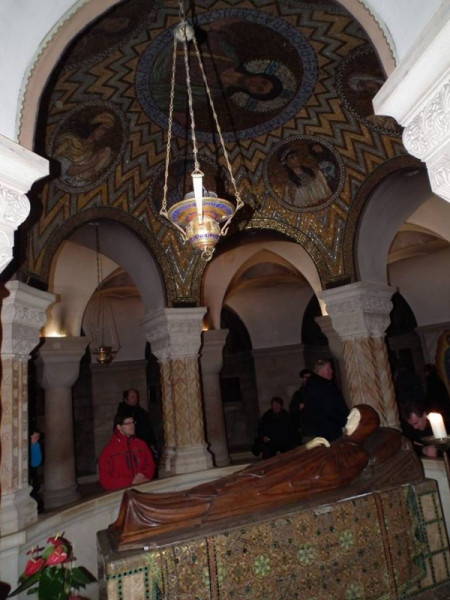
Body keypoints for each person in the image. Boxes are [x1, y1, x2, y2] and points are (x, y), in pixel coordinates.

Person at [109, 405, 412, 551]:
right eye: (349, 417)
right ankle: (145, 508)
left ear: (364, 428)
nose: (347, 422)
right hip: (273, 474)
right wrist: (311, 449)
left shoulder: (355, 455)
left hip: (276, 486)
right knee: (217, 487)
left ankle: (149, 514)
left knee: (219, 497)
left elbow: (331, 477)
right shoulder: (337, 446)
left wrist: (317, 452)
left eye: (353, 420)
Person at [99, 410, 156, 491]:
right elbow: (105, 480)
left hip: (143, 488)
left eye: (133, 422)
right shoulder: (109, 451)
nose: (132, 426)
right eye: (128, 423)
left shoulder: (141, 444)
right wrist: (130, 481)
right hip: (121, 492)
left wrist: (144, 475)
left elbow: (150, 465)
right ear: (119, 427)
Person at [301, 359, 349, 441]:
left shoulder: (320, 385)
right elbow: (329, 408)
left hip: (326, 427)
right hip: (329, 429)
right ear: (321, 371)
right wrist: (344, 421)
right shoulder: (321, 387)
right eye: (328, 369)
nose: (331, 371)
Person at [117, 389, 159, 460]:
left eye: (136, 397)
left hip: (144, 444)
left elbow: (148, 427)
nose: (135, 399)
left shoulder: (141, 412)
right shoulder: (122, 414)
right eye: (132, 397)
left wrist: (151, 443)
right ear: (126, 399)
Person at [289, 368, 313, 440]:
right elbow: (292, 410)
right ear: (302, 379)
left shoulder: (317, 392)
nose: (308, 380)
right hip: (307, 430)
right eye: (305, 377)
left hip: (320, 428)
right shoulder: (298, 395)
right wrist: (299, 407)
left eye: (309, 378)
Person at [29, 429, 44, 513]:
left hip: (31, 475)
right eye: (34, 436)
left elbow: (36, 462)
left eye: (37, 437)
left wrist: (34, 445)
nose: (36, 438)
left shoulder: (36, 445)